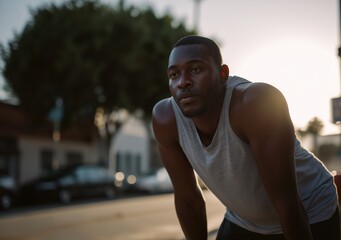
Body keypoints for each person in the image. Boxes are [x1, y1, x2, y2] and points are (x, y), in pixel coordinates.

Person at [152, 35, 340, 240]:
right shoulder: (165, 118)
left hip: (310, 210)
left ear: (223, 73)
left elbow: (288, 205)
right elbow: (188, 200)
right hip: (244, 220)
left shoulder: (255, 103)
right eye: (174, 74)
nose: (183, 82)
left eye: (195, 69)